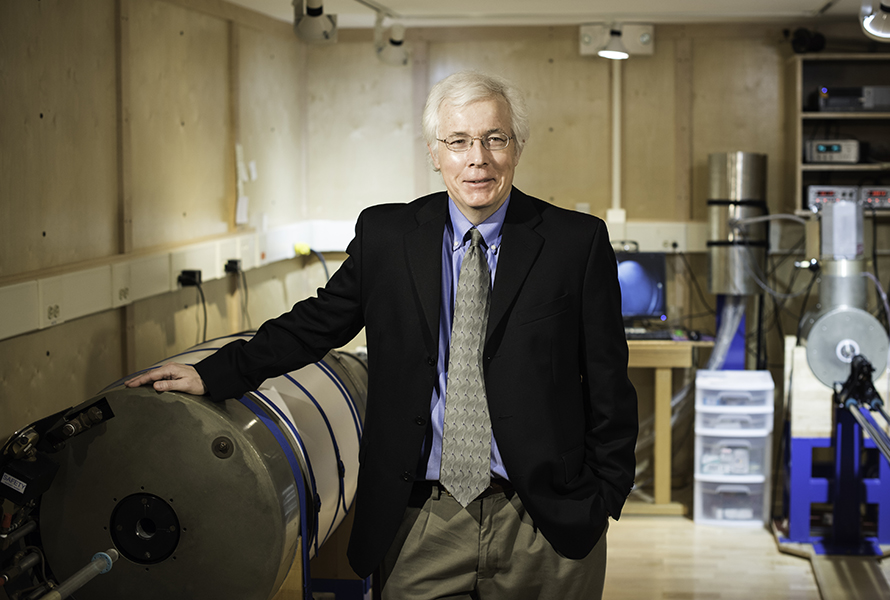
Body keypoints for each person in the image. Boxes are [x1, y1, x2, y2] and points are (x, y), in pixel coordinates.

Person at [127, 71, 638, 600]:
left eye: (495, 139)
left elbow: (607, 378)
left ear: (517, 147)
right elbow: (314, 324)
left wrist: (603, 494)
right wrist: (212, 371)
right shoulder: (387, 236)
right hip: (421, 519)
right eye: (458, 141)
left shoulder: (574, 243)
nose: (477, 158)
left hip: (543, 521)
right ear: (434, 153)